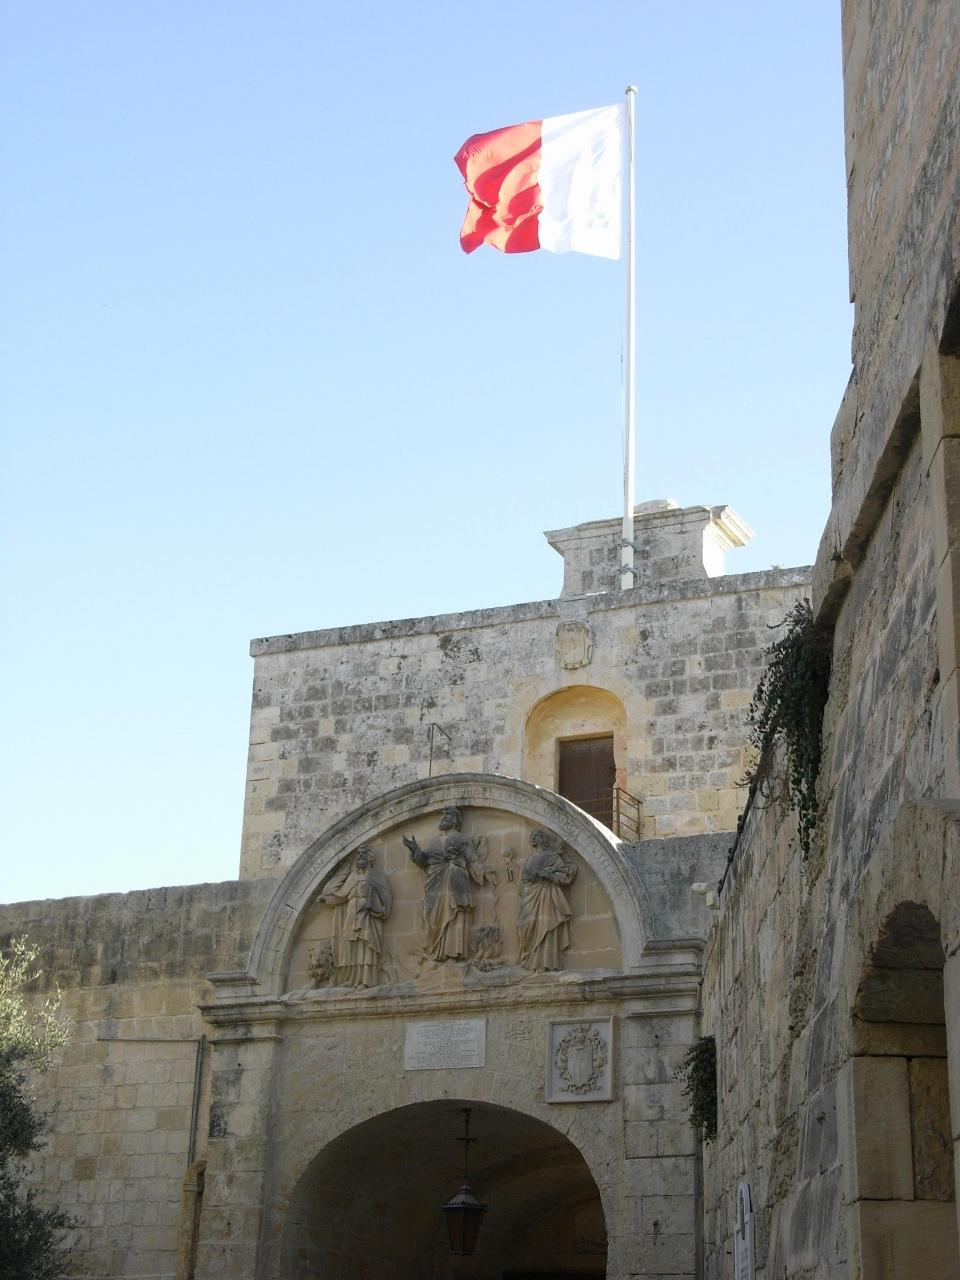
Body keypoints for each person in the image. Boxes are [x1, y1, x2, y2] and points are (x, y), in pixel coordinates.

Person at [403, 807, 497, 961]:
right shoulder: (433, 841)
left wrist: (485, 872)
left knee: (456, 914)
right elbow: (424, 862)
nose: (444, 818)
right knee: (430, 915)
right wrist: (415, 851)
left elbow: (472, 860)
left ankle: (454, 954)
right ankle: (436, 953)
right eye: (443, 816)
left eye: (448, 815)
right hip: (435, 883)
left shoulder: (462, 838)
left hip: (456, 880)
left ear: (455, 820)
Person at [316, 846, 391, 987]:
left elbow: (386, 898)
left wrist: (373, 905)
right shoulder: (353, 876)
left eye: (364, 853)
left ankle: (367, 981)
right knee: (351, 948)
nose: (360, 856)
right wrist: (325, 899)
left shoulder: (375, 876)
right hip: (351, 915)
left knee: (366, 947)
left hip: (368, 916)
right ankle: (352, 980)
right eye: (359, 854)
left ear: (370, 858)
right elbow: (341, 896)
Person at [516, 828, 577, 971]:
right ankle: (529, 959)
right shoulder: (529, 859)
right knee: (523, 924)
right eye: (531, 835)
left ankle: (545, 962)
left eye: (536, 835)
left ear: (542, 839)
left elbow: (566, 873)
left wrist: (549, 875)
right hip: (530, 895)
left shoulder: (552, 857)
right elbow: (524, 879)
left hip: (546, 893)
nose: (532, 837)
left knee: (546, 925)